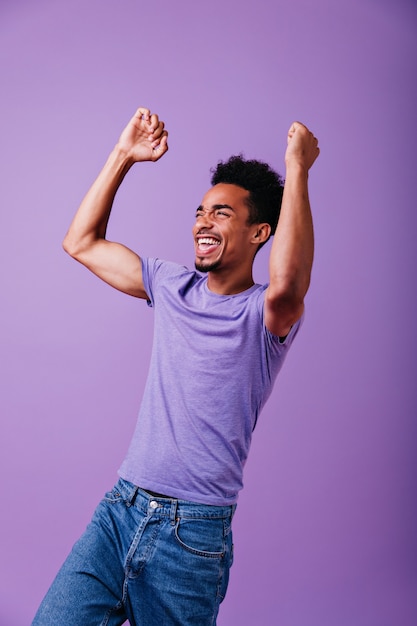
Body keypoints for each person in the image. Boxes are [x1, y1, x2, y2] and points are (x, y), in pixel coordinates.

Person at [32, 107, 319, 626]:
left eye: (222, 213)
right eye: (201, 211)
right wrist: (124, 155)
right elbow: (81, 243)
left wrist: (296, 167)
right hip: (119, 512)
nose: (203, 222)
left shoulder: (264, 315)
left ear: (260, 233)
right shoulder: (170, 286)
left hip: (192, 538)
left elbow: (290, 284)